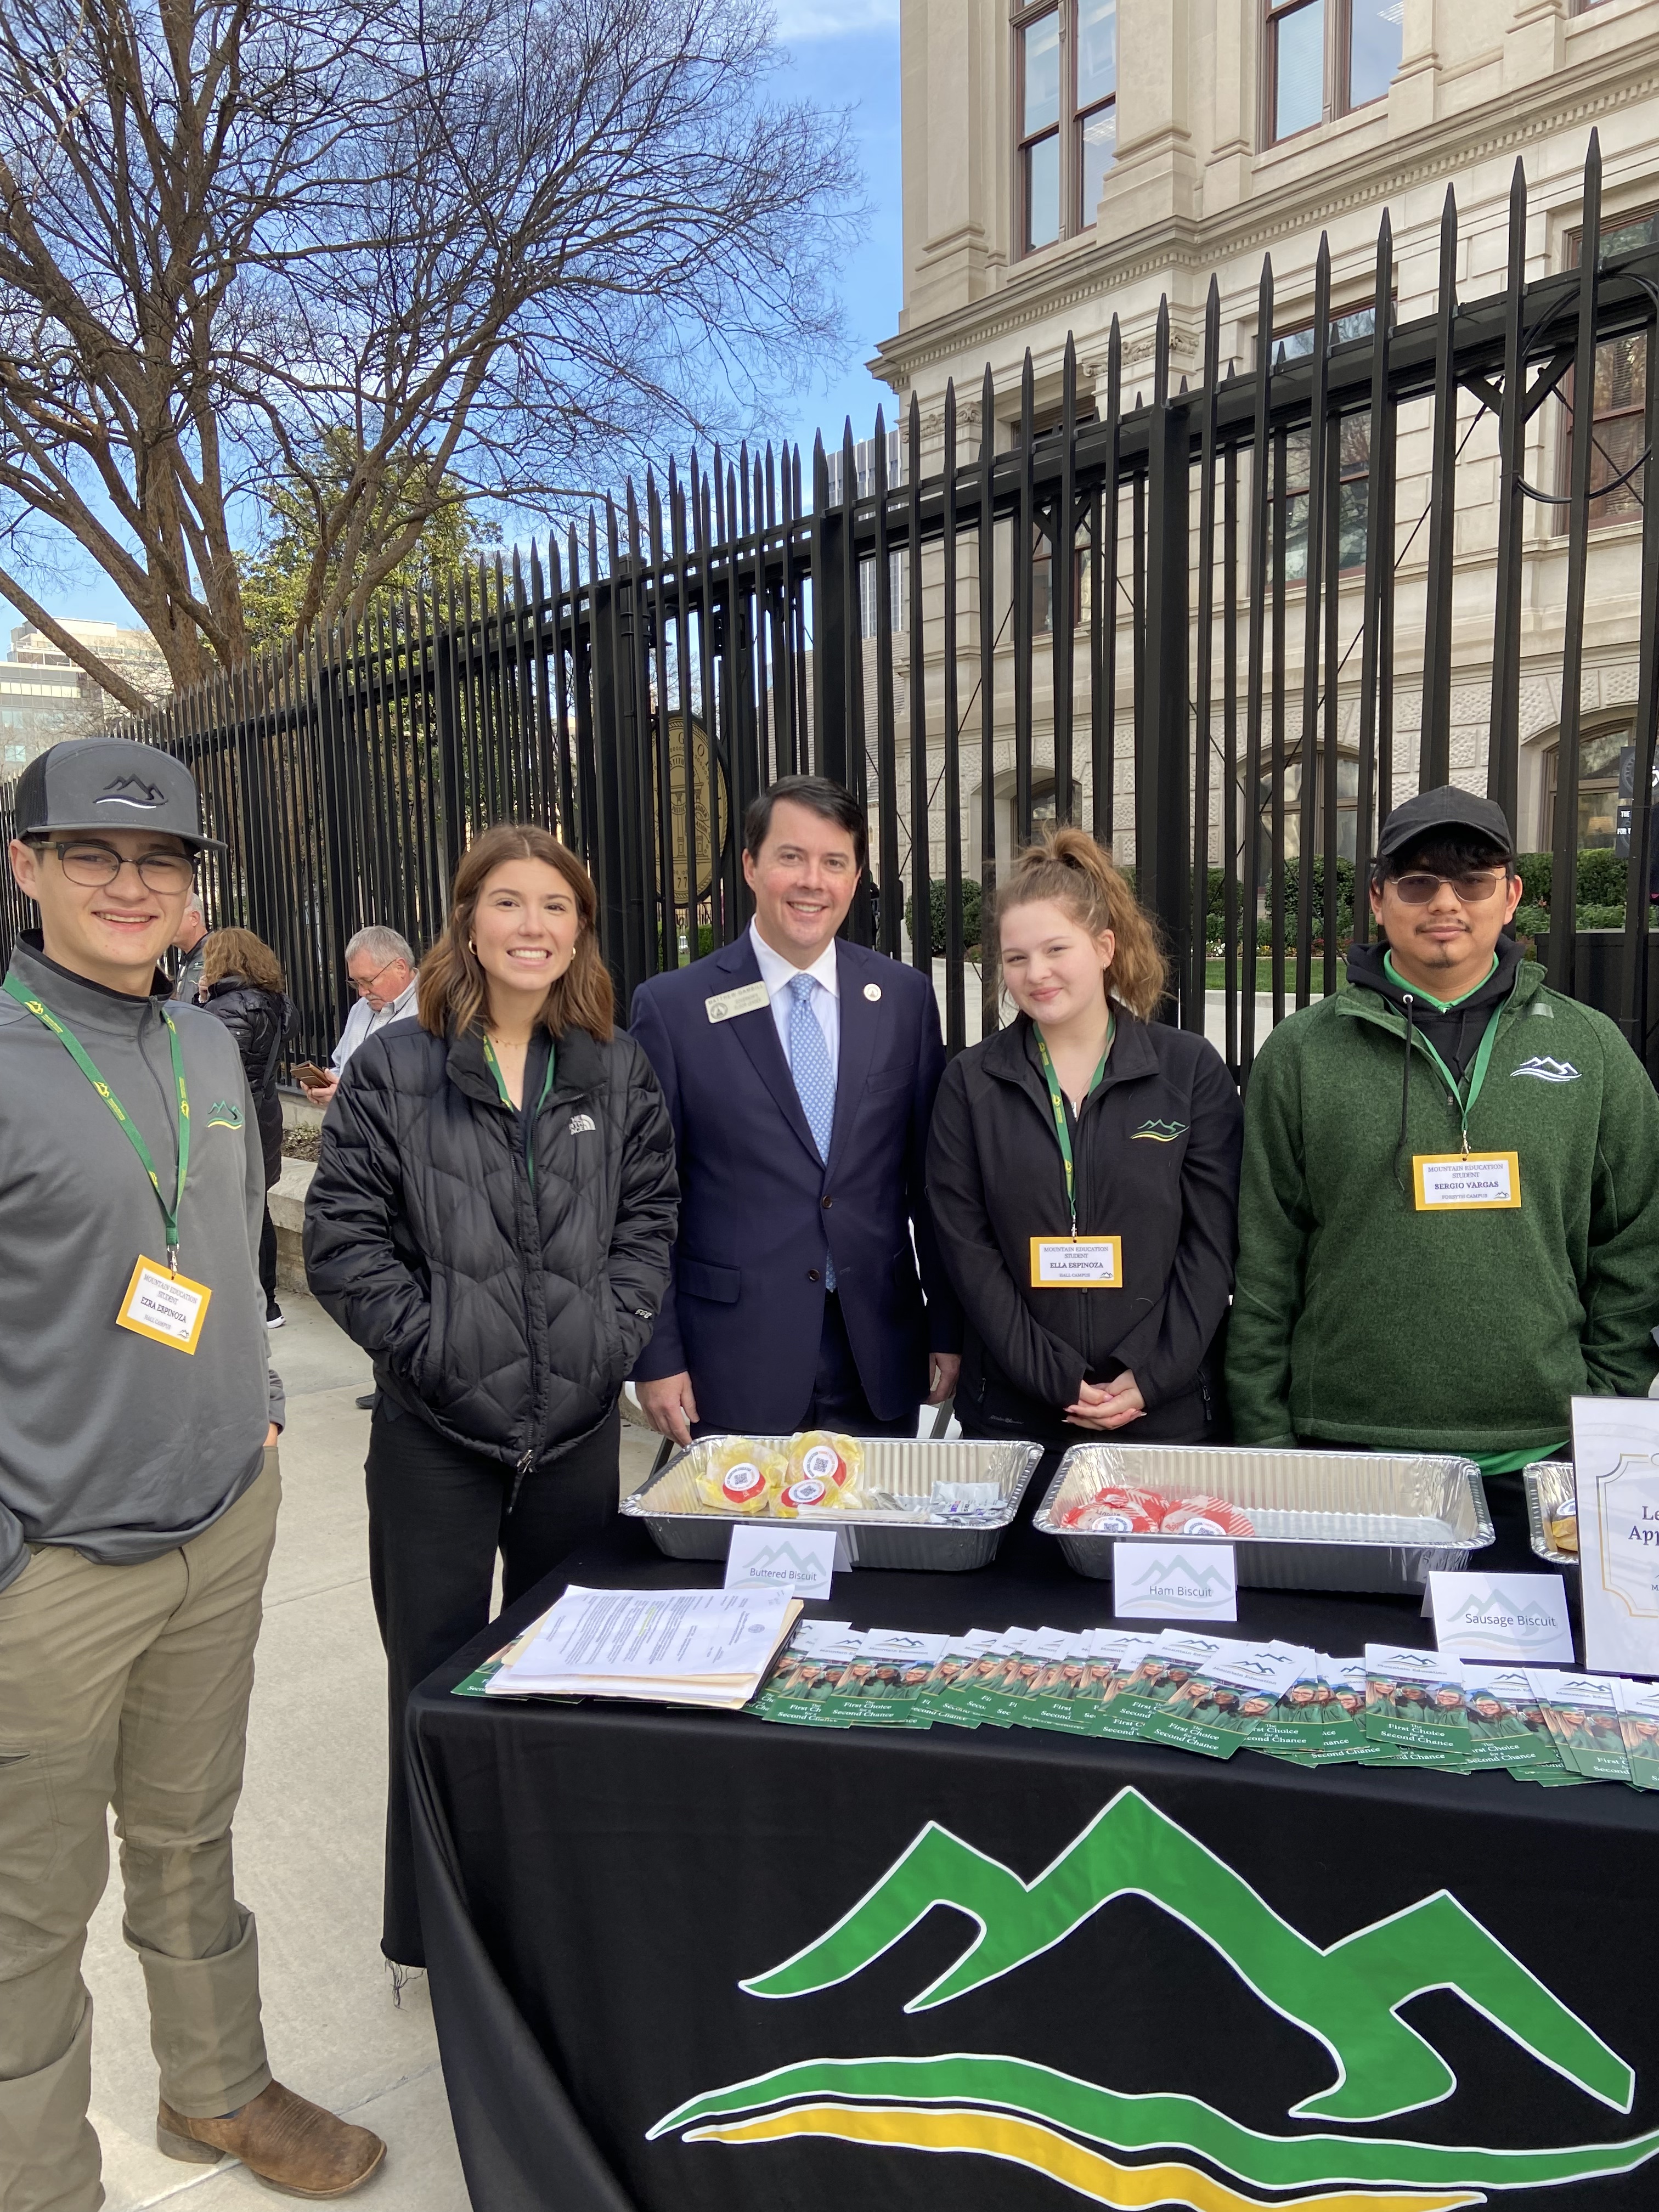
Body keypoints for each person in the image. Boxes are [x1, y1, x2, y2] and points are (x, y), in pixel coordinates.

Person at [0, 738, 383, 2208]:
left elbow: (220, 1252)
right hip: (55, 1567)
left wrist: (260, 1398)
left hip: (220, 1523)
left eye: (158, 860)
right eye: (90, 853)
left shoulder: (205, 1045)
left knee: (188, 1835)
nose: (127, 883)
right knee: (31, 1912)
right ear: (24, 867)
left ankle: (215, 2090)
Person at [303, 823, 678, 1970]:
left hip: (570, 1434)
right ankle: (437, 1935)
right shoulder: (397, 1066)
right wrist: (431, 1350)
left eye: (556, 908)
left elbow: (648, 1219)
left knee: (568, 1683)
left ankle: (557, 1919)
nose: (534, 928)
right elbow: (342, 1239)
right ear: (466, 921)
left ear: (581, 929)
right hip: (436, 1438)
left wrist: (607, 1339)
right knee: (435, 1685)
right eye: (509, 904)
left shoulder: (611, 1066)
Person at [1228, 785, 1659, 1470]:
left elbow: (1635, 1241)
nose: (1445, 904)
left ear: (1513, 896)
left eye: (1473, 882)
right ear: (1376, 897)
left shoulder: (1590, 1047)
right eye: (1417, 882)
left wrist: (1604, 1405)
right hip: (1343, 1442)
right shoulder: (1302, 1052)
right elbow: (1264, 1255)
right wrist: (1266, 1437)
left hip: (1543, 1449)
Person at [629, 774, 961, 1443]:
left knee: (874, 1545)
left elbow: (933, 1184)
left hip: (878, 1350)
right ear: (751, 867)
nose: (813, 881)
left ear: (856, 876)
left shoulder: (902, 998)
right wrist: (656, 1355)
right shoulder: (674, 1008)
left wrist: (947, 1328)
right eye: (791, 857)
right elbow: (644, 1198)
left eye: (834, 862)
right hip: (732, 1356)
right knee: (750, 1545)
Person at [926, 827, 1242, 1455]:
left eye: (1055, 950)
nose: (1035, 974)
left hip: (1165, 1415)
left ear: (1103, 947)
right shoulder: (970, 1082)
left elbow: (1212, 1246)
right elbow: (968, 1249)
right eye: (1016, 959)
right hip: (1016, 1417)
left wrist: (1150, 1377)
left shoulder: (1188, 1071)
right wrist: (1055, 1378)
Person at [199, 926, 296, 1328]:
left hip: (229, 1119)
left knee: (232, 1210)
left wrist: (200, 1005)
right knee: (258, 1206)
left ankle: (250, 1300)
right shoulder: (277, 1004)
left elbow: (210, 1062)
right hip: (266, 1113)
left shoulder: (225, 1011)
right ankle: (268, 1302)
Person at [298, 926, 417, 1107]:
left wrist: (349, 1097)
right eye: (356, 983)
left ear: (400, 967)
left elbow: (426, 1094)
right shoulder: (361, 1008)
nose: (362, 992)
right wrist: (328, 1086)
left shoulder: (434, 1010)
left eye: (368, 981)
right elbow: (342, 1067)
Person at [170, 886, 207, 1002]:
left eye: (172, 917)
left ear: (194, 918)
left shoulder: (219, 955)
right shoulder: (188, 957)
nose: (165, 925)